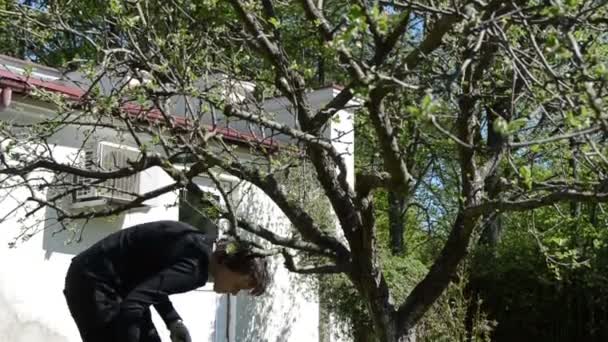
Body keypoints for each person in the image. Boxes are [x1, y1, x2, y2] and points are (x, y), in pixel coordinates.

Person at [63, 220, 269, 342]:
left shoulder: (199, 247)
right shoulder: (195, 268)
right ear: (226, 263)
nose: (232, 293)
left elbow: (152, 285)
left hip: (112, 283)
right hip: (93, 281)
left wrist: (172, 321)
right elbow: (134, 304)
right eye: (237, 286)